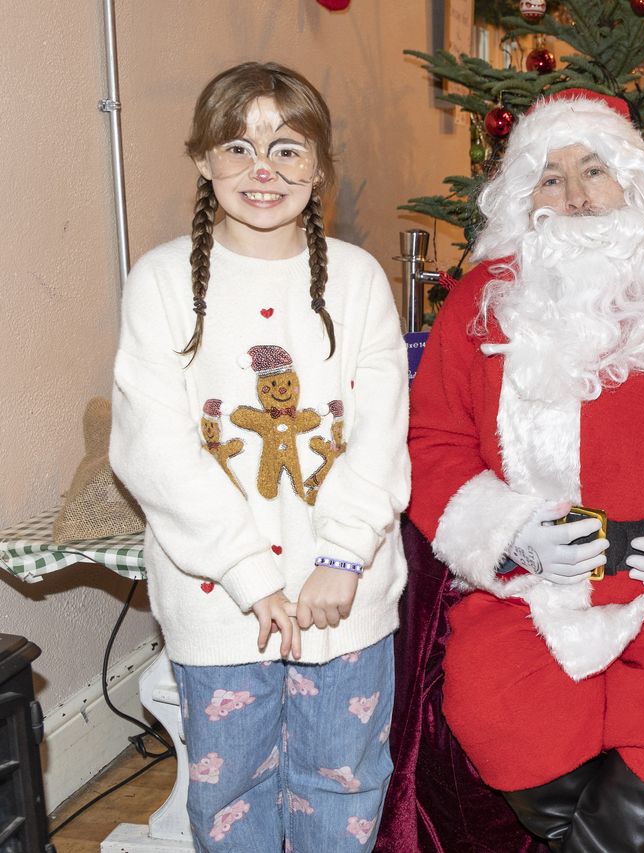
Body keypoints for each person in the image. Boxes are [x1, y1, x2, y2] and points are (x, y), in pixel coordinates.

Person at [404, 90, 644, 852]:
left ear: (634, 181)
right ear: (521, 199)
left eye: (593, 170)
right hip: (529, 592)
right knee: (501, 720)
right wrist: (510, 532)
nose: (573, 196)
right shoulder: (480, 303)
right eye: (550, 177)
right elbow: (433, 442)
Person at [110, 62, 409, 852]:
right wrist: (248, 571)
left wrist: (341, 557)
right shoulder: (161, 281)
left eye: (287, 147)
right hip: (217, 599)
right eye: (238, 148)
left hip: (347, 599)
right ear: (204, 161)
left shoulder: (358, 280)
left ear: (319, 166)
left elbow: (379, 432)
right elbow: (156, 447)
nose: (263, 170)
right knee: (228, 790)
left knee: (340, 780)